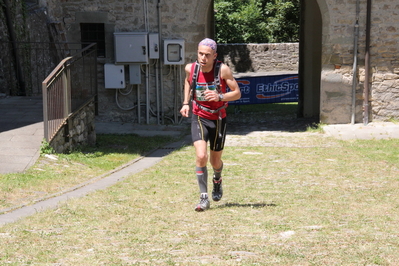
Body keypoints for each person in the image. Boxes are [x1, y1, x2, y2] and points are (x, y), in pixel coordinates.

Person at [180, 38, 241, 212]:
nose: (203, 58)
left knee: (215, 161)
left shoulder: (222, 70)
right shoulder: (190, 69)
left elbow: (237, 93)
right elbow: (187, 81)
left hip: (219, 118)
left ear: (215, 55)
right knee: (201, 156)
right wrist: (185, 102)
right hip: (199, 116)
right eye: (200, 54)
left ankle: (217, 179)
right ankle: (203, 197)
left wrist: (219, 96)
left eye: (207, 55)